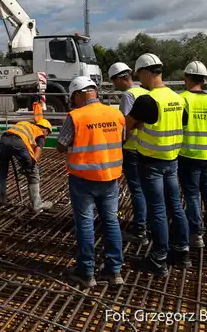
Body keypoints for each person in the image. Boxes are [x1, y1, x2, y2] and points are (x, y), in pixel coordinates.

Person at [56, 76, 125, 287]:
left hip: (82, 179)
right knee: (111, 221)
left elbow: (61, 145)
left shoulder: (76, 116)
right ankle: (114, 271)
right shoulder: (116, 114)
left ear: (77, 94)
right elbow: (122, 139)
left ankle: (86, 273)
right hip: (110, 177)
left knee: (85, 224)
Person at [128, 53, 190, 275]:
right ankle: (182, 252)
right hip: (171, 159)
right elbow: (181, 123)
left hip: (151, 161)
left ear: (145, 72)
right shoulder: (178, 98)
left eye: (140, 75)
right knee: (175, 205)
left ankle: (158, 259)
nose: (140, 80)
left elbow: (129, 125)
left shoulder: (147, 99)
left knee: (157, 210)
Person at [177, 61, 207, 249]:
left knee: (192, 195)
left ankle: (196, 235)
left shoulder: (183, 100)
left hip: (188, 154)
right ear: (204, 80)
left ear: (186, 78)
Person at [109, 61, 149, 244]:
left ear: (120, 79)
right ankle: (149, 224)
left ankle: (140, 229)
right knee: (148, 189)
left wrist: (119, 145)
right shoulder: (145, 91)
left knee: (137, 189)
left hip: (132, 149)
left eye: (114, 82)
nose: (114, 86)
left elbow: (127, 125)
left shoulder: (128, 95)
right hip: (147, 147)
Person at [0, 110, 54, 213]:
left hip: (3, 140)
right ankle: (37, 205)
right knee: (33, 173)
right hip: (18, 142)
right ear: (45, 130)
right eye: (47, 134)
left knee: (3, 169)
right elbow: (38, 151)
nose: (45, 136)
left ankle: (2, 199)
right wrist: (31, 164)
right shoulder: (40, 133)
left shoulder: (25, 124)